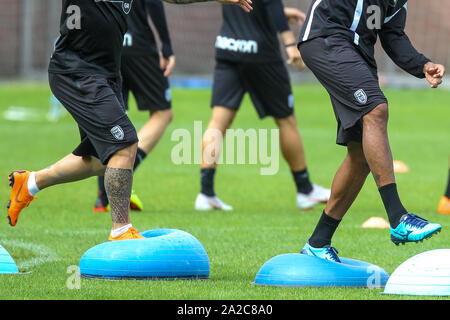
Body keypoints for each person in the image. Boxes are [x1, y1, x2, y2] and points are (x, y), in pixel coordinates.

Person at [7, 0, 253, 241]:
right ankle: (121, 229)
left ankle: (29, 183)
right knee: (125, 143)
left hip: (106, 75)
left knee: (99, 160)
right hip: (76, 73)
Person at [297, 0, 444, 261]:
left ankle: (318, 243)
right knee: (376, 109)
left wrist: (422, 65)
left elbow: (393, 36)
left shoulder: (397, 2)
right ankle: (398, 218)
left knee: (361, 155)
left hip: (356, 53)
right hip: (327, 38)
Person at [195, 0, 331, 212]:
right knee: (286, 120)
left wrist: (282, 12)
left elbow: (250, 5)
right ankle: (305, 190)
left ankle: (206, 194)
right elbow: (271, 2)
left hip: (228, 47)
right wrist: (289, 43)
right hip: (261, 53)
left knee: (218, 120)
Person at [94, 0, 176, 213]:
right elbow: (155, 3)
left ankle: (102, 197)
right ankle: (122, 173)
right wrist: (166, 46)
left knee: (113, 117)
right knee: (163, 113)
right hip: (139, 45)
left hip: (108, 45)